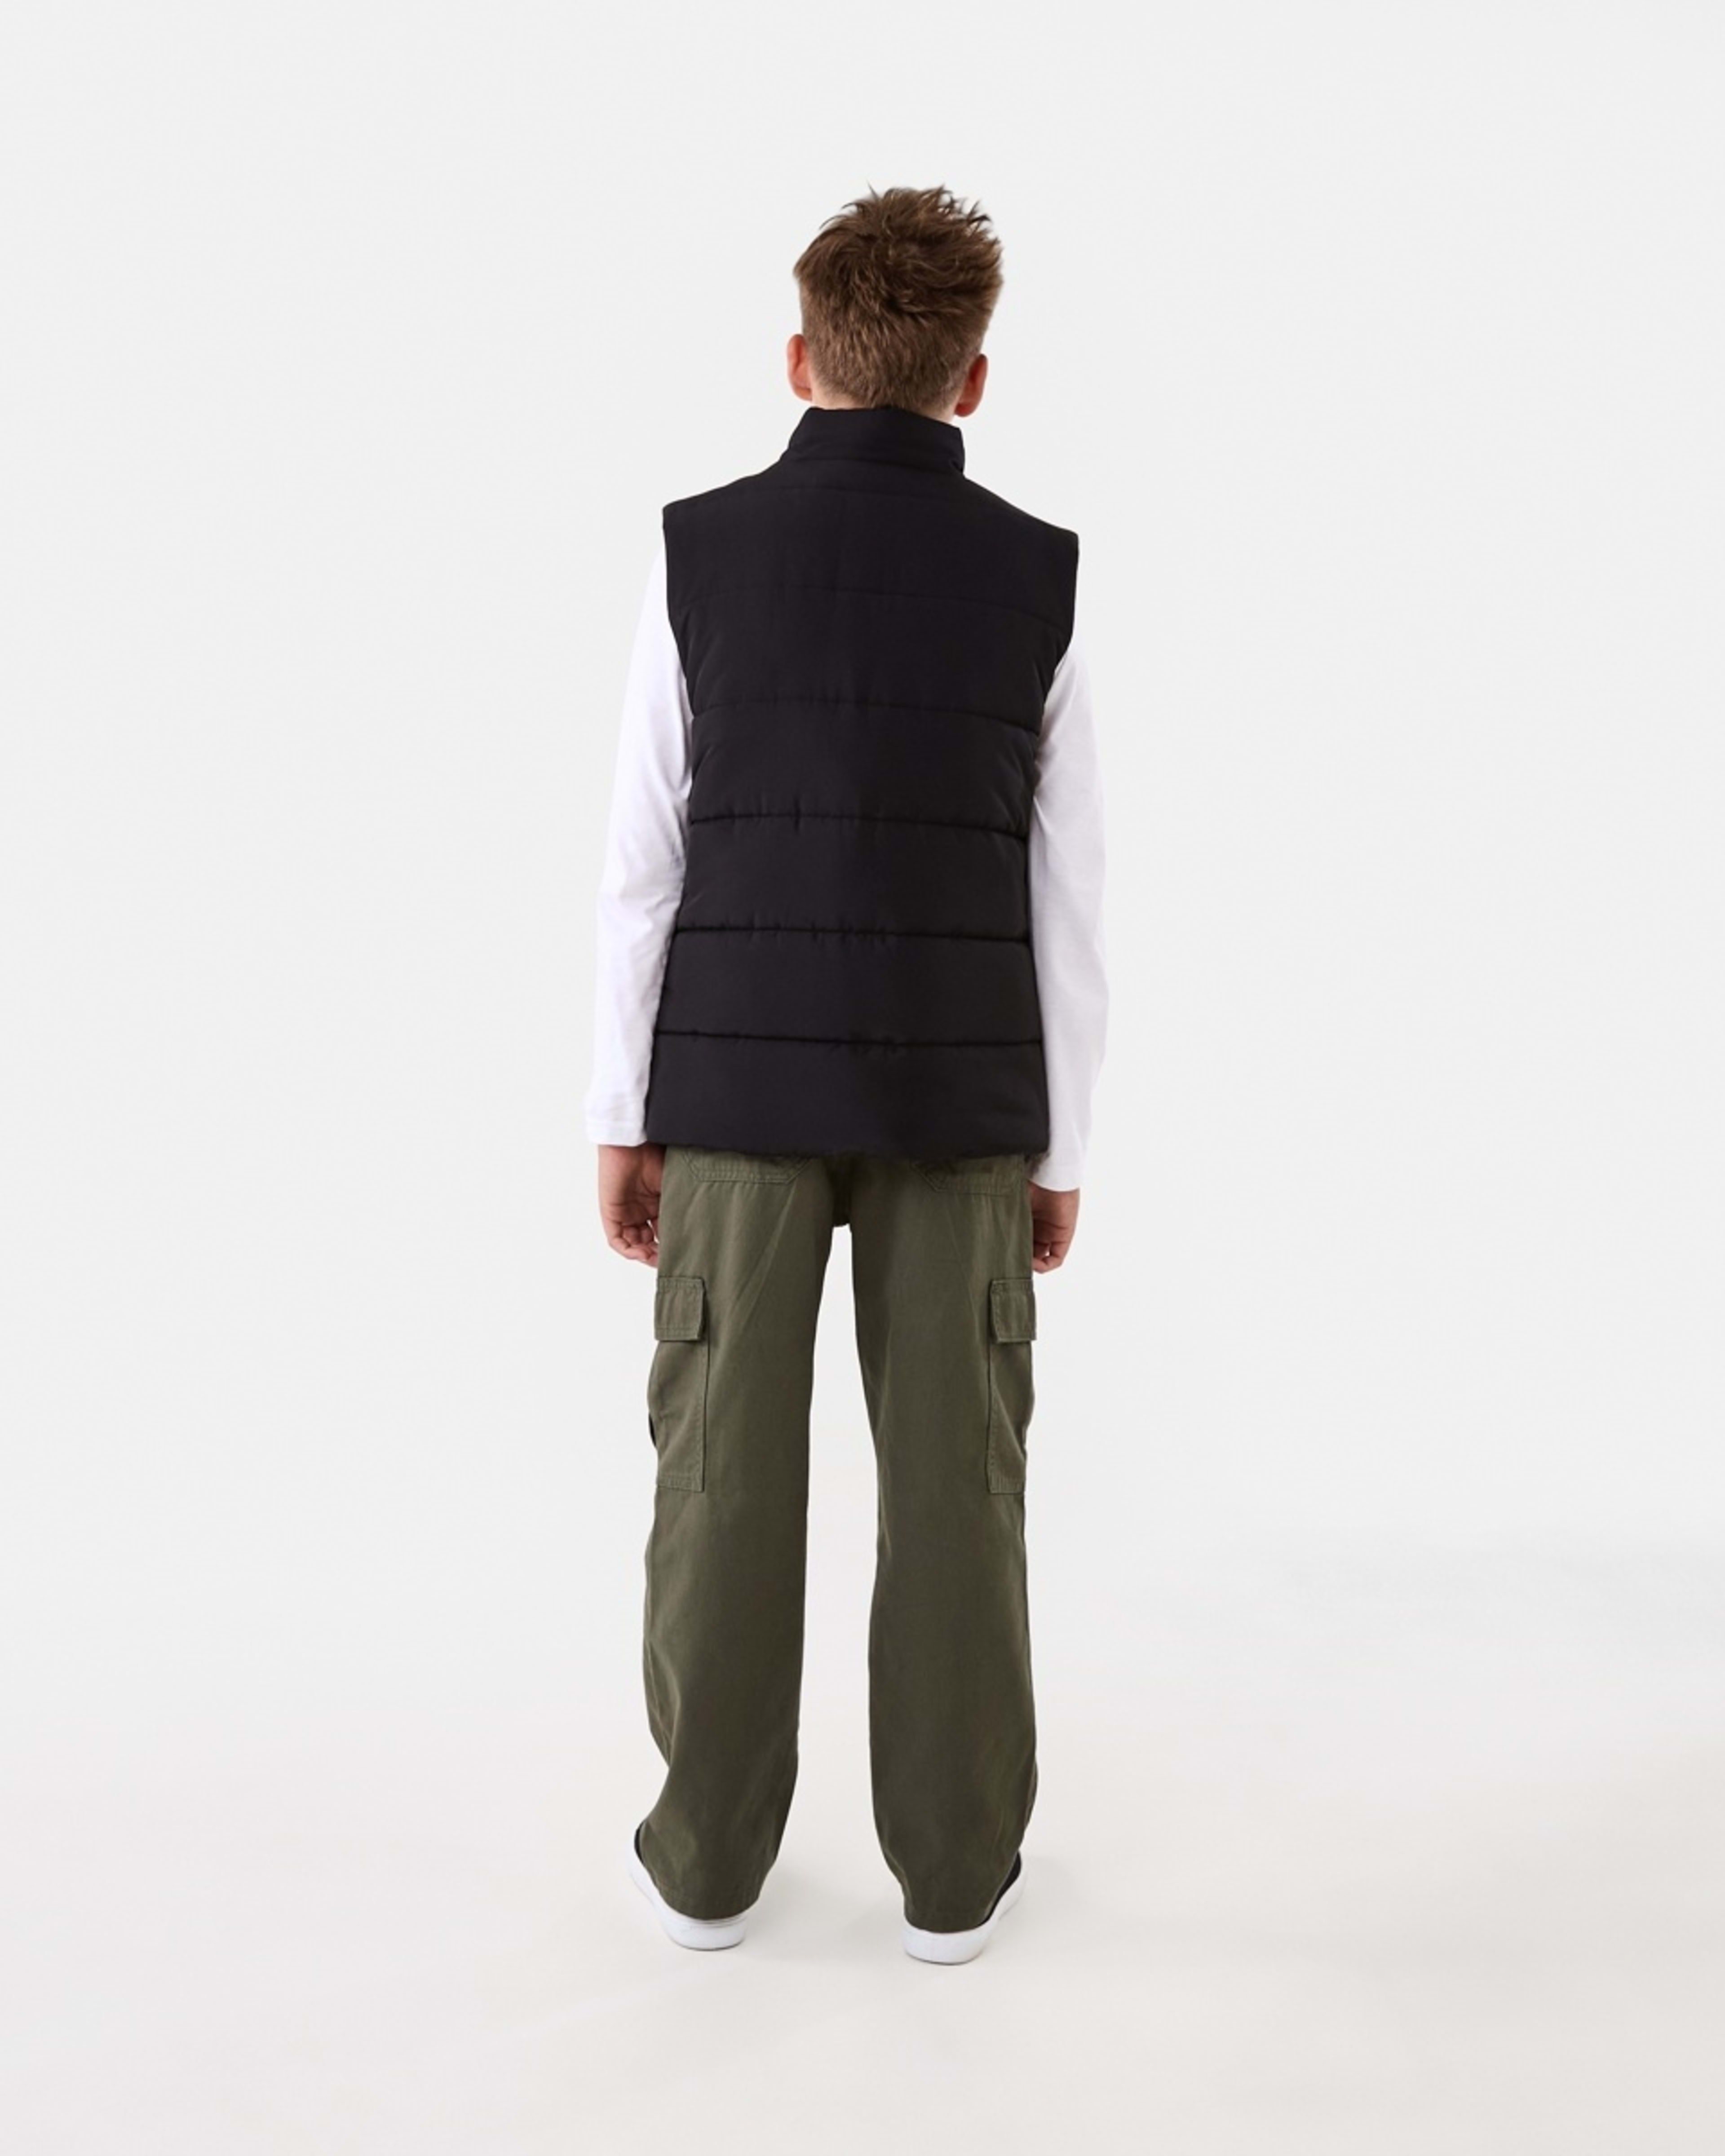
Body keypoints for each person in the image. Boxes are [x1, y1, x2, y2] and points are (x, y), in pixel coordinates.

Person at [584, 185, 1108, 1965]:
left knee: (721, 1477)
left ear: (801, 360)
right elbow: (1069, 895)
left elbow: (644, 863)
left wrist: (620, 1112)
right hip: (961, 1111)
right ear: (974, 381)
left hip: (729, 1098)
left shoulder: (699, 555)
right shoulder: (1039, 577)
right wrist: (1061, 1146)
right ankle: (955, 1885)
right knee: (958, 1487)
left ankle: (706, 1871)